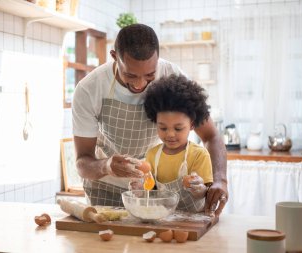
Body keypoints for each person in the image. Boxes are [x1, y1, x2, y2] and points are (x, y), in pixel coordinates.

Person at [72, 23, 228, 216]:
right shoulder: (90, 88)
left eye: (149, 75)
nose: (140, 84)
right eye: (130, 74)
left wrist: (220, 180)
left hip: (156, 191)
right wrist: (106, 165)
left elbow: (211, 136)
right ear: (114, 57)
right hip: (105, 190)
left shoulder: (171, 74)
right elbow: (82, 162)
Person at [142, 74, 213, 212]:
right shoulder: (152, 155)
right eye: (163, 128)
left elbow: (204, 193)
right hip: (162, 219)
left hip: (193, 221)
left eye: (178, 128)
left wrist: (198, 188)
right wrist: (140, 187)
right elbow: (151, 190)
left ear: (192, 125)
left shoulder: (199, 154)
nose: (170, 134)